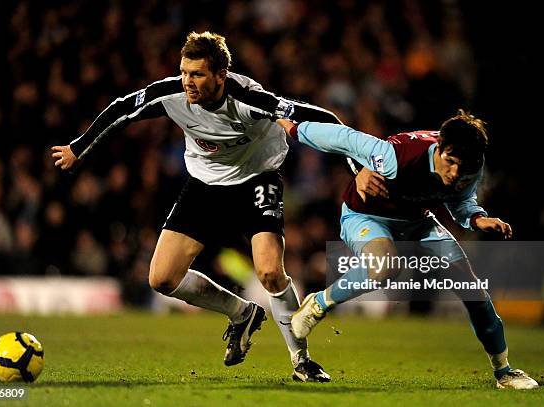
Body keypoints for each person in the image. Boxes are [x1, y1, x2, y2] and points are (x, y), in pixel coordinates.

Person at [52, 31, 345, 382]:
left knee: (269, 271)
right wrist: (78, 148)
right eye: (184, 72)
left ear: (221, 75)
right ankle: (241, 313)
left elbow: (324, 118)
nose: (187, 83)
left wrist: (358, 165)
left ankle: (301, 361)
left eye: (197, 75)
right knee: (161, 277)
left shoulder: (250, 99)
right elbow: (122, 109)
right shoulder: (172, 93)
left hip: (257, 177)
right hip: (205, 184)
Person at [275, 111, 539, 389]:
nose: (455, 174)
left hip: (419, 222)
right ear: (439, 148)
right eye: (450, 163)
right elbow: (343, 138)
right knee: (385, 266)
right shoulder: (398, 155)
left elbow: (461, 201)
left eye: (463, 168)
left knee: (473, 290)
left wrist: (477, 218)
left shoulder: (471, 162)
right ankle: (318, 304)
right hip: (366, 217)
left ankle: (504, 372)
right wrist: (292, 128)